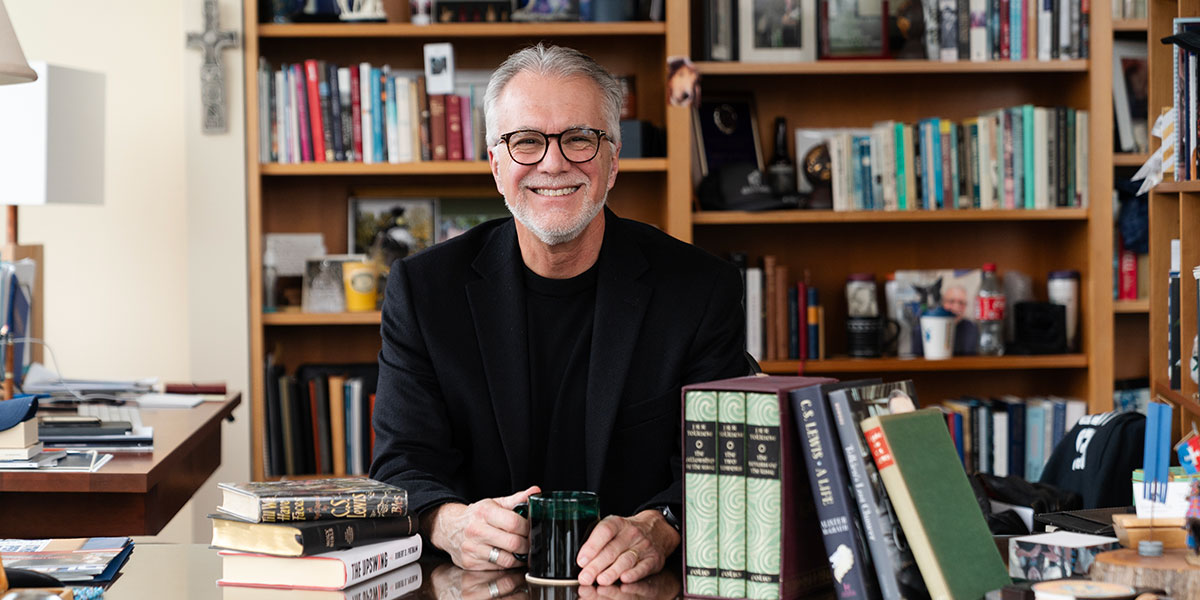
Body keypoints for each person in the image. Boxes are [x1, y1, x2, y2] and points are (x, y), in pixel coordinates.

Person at [369, 44, 749, 586]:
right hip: (478, 588)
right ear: (496, 166)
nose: (553, 162)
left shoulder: (700, 289)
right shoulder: (425, 292)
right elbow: (402, 465)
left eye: (579, 139)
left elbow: (722, 466)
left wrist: (661, 526)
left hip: (636, 589)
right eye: (526, 141)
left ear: (612, 161)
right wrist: (451, 524)